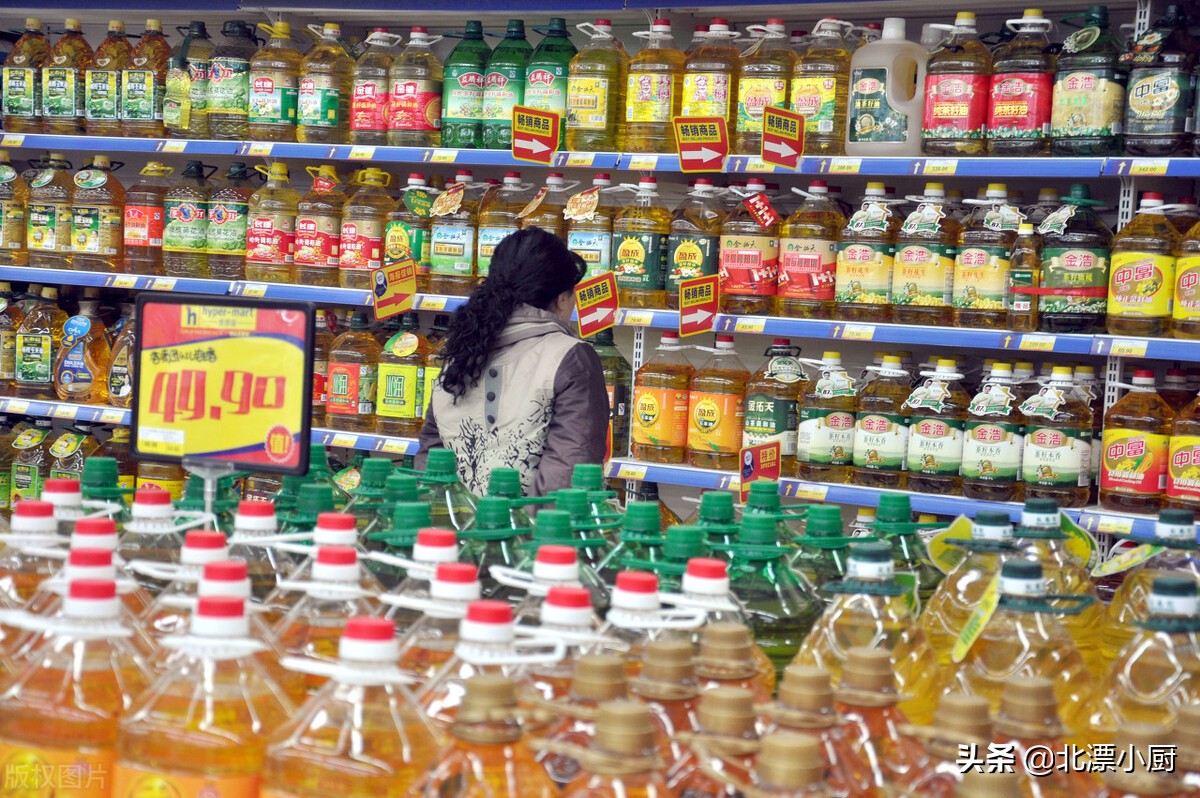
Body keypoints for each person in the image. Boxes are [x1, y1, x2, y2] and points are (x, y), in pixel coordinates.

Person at [417, 227, 609, 496]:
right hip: (532, 523)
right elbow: (570, 473)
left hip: (455, 520)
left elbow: (431, 458)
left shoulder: (462, 349)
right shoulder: (570, 356)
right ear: (562, 298)